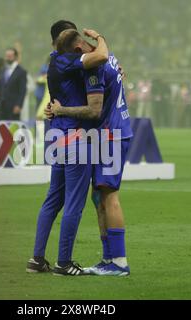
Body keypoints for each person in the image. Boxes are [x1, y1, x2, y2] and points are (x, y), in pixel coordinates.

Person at [27, 20, 110, 276]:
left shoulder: (54, 60)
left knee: (53, 199)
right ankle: (64, 262)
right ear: (71, 43)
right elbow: (102, 56)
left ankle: (37, 259)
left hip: (57, 136)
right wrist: (100, 38)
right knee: (74, 202)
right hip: (75, 136)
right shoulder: (69, 60)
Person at [47, 28, 133, 276]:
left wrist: (61, 111)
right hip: (109, 133)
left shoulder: (94, 67)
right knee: (99, 197)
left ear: (77, 51)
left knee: (109, 196)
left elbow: (94, 110)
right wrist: (101, 38)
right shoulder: (108, 55)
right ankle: (108, 259)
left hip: (112, 134)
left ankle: (119, 262)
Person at [0, 48, 27, 121]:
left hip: (13, 107)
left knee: (13, 129)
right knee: (1, 128)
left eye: (10, 56)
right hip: (1, 106)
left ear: (15, 57)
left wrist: (19, 105)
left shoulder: (21, 72)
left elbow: (22, 90)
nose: (8, 58)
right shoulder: (2, 70)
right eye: (7, 56)